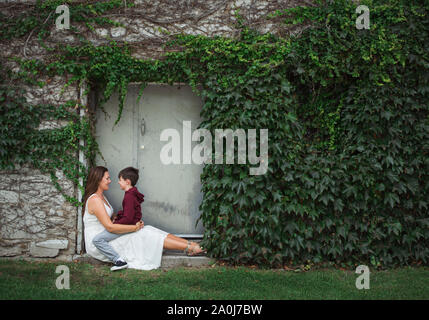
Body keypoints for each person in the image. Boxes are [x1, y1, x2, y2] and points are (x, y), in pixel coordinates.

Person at [83, 166, 205, 271]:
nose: (110, 181)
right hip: (100, 242)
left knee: (148, 229)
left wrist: (120, 219)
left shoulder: (102, 197)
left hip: (109, 234)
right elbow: (109, 226)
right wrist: (133, 227)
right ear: (98, 180)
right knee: (144, 233)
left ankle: (191, 244)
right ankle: (190, 247)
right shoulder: (95, 200)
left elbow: (109, 217)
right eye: (107, 178)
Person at [92, 167, 144, 271]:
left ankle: (118, 261)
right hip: (130, 224)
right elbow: (128, 212)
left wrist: (116, 223)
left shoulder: (129, 196)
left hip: (127, 226)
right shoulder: (132, 194)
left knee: (97, 240)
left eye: (120, 180)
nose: (118, 182)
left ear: (127, 182)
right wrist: (118, 216)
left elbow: (128, 218)